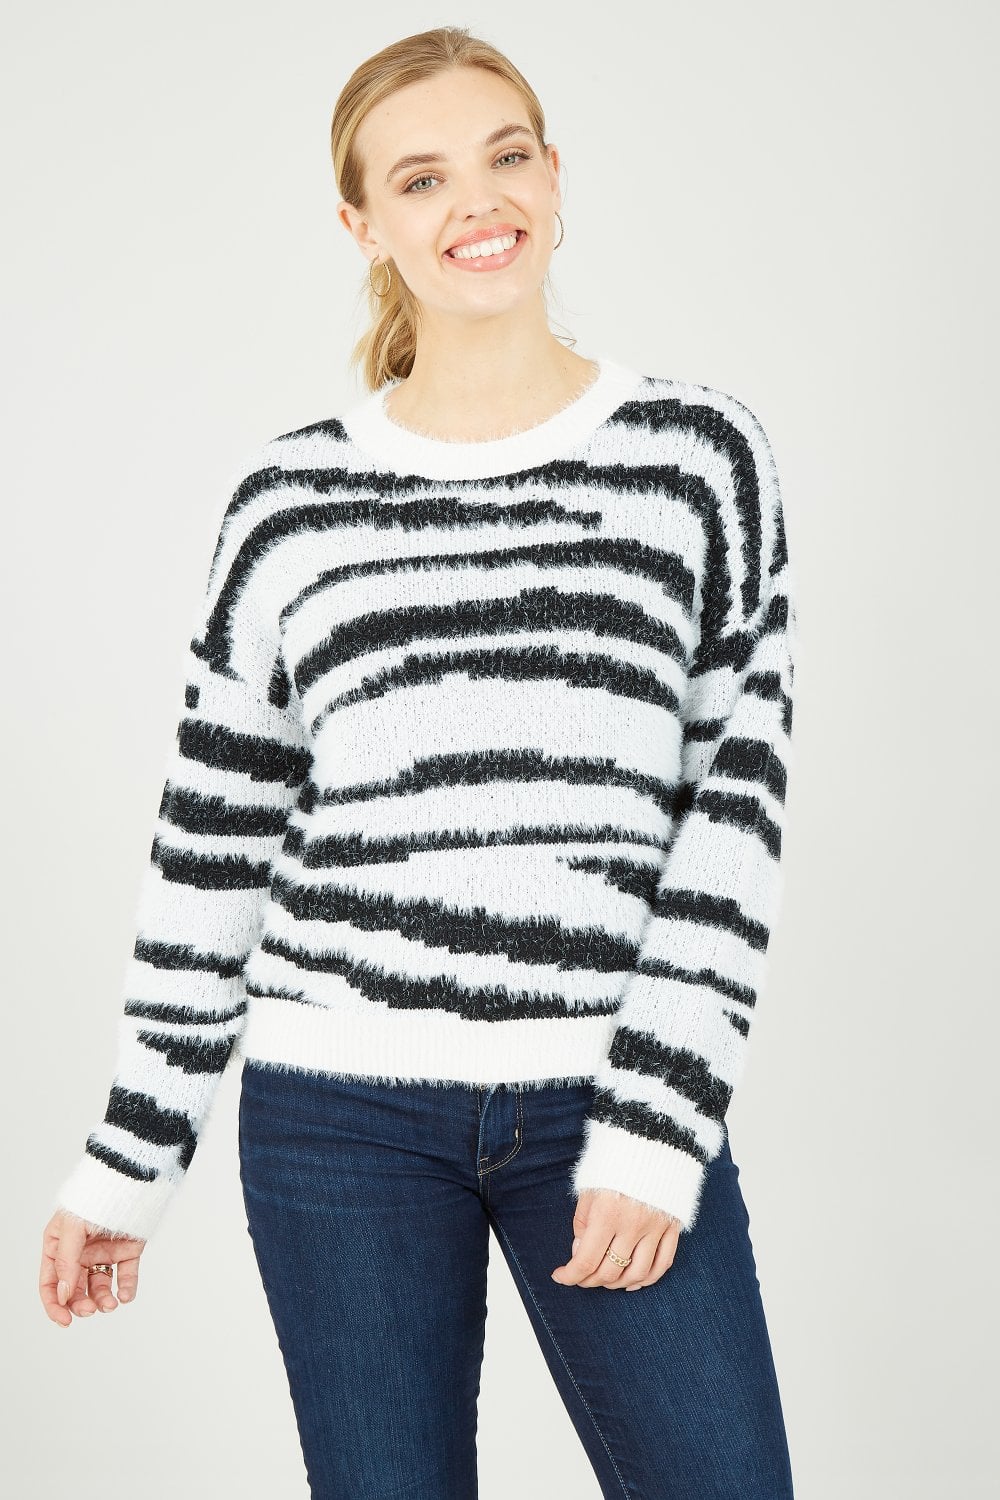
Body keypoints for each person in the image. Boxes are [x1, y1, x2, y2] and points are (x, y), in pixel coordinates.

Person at [40, 25, 799, 1499]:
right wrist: (128, 1162)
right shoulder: (288, 500)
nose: (477, 201)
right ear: (363, 225)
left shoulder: (698, 459)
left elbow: (735, 811)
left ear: (555, 176)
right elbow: (212, 850)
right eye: (423, 177)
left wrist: (657, 1128)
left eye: (505, 156)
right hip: (339, 1115)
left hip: (605, 1094)